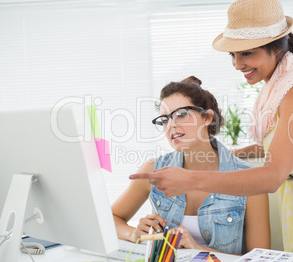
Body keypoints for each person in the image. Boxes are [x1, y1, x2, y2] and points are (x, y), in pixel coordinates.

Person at [130, 0, 293, 261]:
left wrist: (188, 179)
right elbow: (290, 144)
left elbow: (272, 177)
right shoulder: (277, 86)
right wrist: (234, 152)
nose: (237, 64)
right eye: (233, 55)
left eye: (247, 53)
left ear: (276, 47)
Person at [112, 76, 270, 254]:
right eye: (164, 120)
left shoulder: (249, 180)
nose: (171, 125)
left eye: (181, 114)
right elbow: (109, 218)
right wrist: (134, 233)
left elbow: (260, 258)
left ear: (207, 118)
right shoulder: (154, 171)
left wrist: (199, 250)